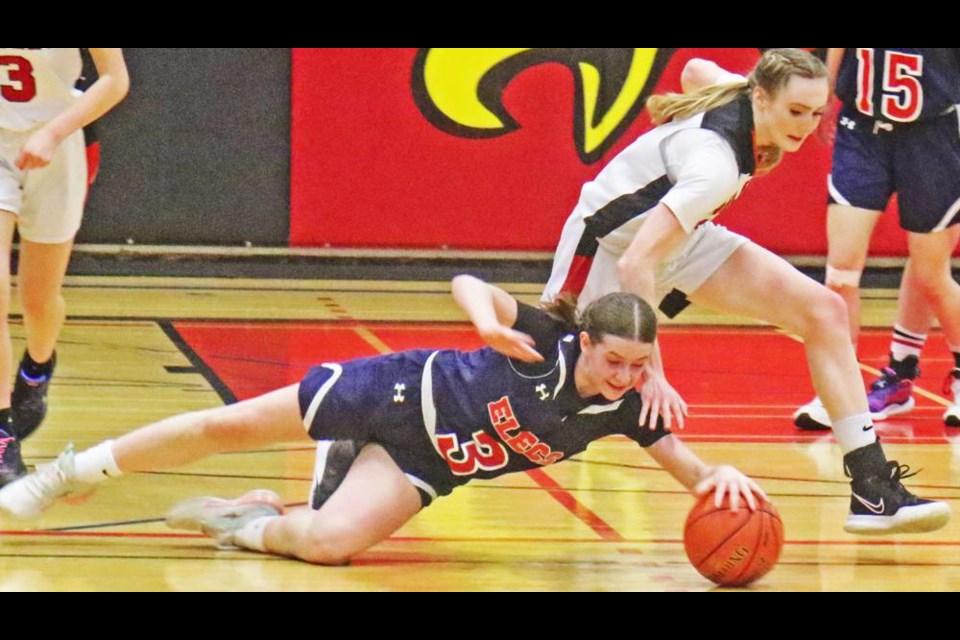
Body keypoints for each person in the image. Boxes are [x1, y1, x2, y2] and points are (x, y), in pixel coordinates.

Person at [0, 275, 765, 565]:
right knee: (227, 427)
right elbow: (468, 280)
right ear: (586, 342)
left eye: (640, 366)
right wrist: (485, 323)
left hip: (428, 465)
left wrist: (716, 476)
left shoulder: (628, 408)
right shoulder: (547, 340)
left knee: (328, 544)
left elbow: (693, 471)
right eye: (615, 361)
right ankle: (64, 474)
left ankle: (241, 520)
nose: (625, 377)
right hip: (398, 393)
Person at [540, 48, 949, 534]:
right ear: (762, 96)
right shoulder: (714, 166)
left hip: (681, 237)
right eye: (795, 111)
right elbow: (636, 265)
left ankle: (872, 487)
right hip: (607, 251)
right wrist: (654, 372)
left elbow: (694, 68)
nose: (804, 125)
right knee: (549, 390)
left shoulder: (740, 90)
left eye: (816, 113)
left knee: (824, 312)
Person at [791, 48, 960, 430]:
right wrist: (827, 97)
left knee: (932, 274)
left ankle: (926, 373)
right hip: (862, 132)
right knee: (840, 274)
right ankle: (840, 394)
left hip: (933, 136)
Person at [0, 49, 129, 484]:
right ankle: (2, 437)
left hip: (57, 143)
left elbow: (116, 80)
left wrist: (53, 133)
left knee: (38, 300)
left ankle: (37, 366)